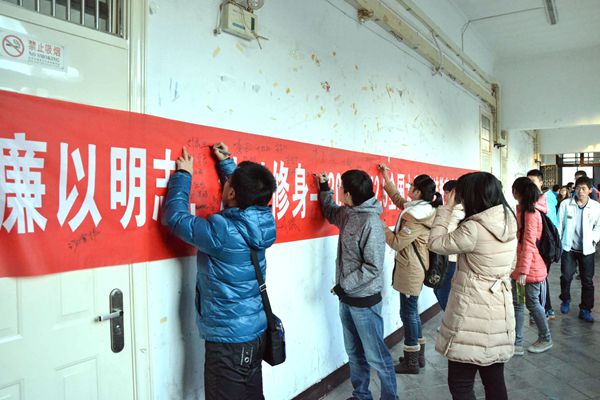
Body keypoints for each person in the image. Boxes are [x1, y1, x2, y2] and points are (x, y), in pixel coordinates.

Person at [162, 143, 277, 400]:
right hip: (255, 333)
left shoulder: (222, 231)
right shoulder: (262, 223)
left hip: (229, 343)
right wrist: (227, 164)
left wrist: (183, 175)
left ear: (232, 191)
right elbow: (245, 195)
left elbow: (177, 219)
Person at [429, 172, 517, 400]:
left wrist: (446, 208)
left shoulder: (474, 228)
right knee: (494, 380)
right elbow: (511, 264)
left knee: (460, 384)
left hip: (471, 314)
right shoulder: (508, 220)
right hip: (499, 309)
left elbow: (435, 243)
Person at [315, 170, 399, 400]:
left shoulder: (371, 222)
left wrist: (344, 285)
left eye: (341, 188)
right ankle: (361, 395)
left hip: (365, 303)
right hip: (347, 299)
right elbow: (330, 212)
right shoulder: (348, 213)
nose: (340, 191)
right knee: (354, 353)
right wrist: (324, 188)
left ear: (349, 194)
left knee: (376, 356)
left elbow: (373, 267)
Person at [377, 164, 441, 374]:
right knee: (412, 312)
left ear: (418, 192)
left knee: (408, 313)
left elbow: (396, 243)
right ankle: (418, 356)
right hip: (414, 267)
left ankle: (411, 361)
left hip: (411, 269)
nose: (408, 188)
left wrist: (381, 225)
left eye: (412, 186)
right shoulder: (422, 209)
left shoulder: (415, 217)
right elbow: (399, 200)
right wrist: (386, 179)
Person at [511, 177, 553, 354]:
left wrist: (523, 272)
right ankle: (517, 343)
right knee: (518, 304)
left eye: (513, 189)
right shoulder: (525, 210)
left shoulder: (531, 213)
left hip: (530, 268)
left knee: (532, 303)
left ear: (518, 192)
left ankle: (546, 338)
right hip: (523, 265)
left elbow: (529, 243)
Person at [557, 176, 600, 322]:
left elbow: (598, 227)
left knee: (587, 280)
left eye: (583, 188)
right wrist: (559, 243)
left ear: (590, 190)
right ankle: (565, 299)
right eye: (578, 188)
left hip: (587, 250)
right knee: (566, 276)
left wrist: (593, 240)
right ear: (574, 189)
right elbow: (559, 225)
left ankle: (585, 309)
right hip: (569, 248)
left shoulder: (596, 207)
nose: (580, 191)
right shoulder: (566, 204)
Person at [526, 169, 557, 320]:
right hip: (533, 247)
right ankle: (545, 309)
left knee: (540, 279)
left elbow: (551, 226)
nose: (530, 185)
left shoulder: (544, 200)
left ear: (541, 183)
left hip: (544, 247)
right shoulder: (528, 200)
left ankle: (542, 310)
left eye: (533, 181)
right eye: (528, 181)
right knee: (538, 279)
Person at [433, 180, 464, 311]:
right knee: (440, 290)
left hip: (450, 260)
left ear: (454, 193)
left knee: (442, 291)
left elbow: (442, 235)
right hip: (450, 259)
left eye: (446, 193)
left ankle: (451, 320)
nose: (444, 196)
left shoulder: (456, 213)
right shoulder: (457, 210)